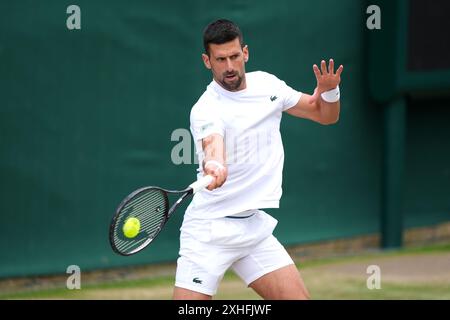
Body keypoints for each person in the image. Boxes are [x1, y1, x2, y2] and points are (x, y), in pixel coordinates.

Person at [173, 19, 343, 300]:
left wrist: (329, 91)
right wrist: (214, 165)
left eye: (234, 56)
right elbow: (212, 146)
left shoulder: (268, 84)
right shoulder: (205, 108)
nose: (229, 66)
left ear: (246, 53)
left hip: (253, 227)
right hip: (210, 230)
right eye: (220, 59)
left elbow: (324, 114)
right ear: (207, 61)